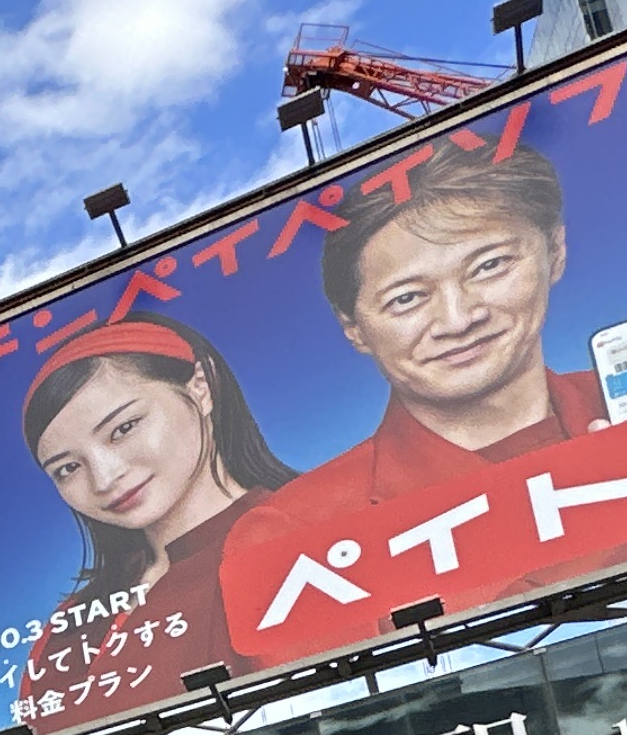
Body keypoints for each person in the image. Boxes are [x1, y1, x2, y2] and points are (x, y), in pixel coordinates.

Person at [225, 140, 605, 658]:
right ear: (353, 327)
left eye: (490, 266)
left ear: (554, 251)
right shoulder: (291, 533)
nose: (458, 319)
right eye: (407, 298)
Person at [10, 315, 304, 728]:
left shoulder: (306, 534)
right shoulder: (69, 626)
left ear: (201, 386)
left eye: (123, 428)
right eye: (68, 468)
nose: (104, 478)